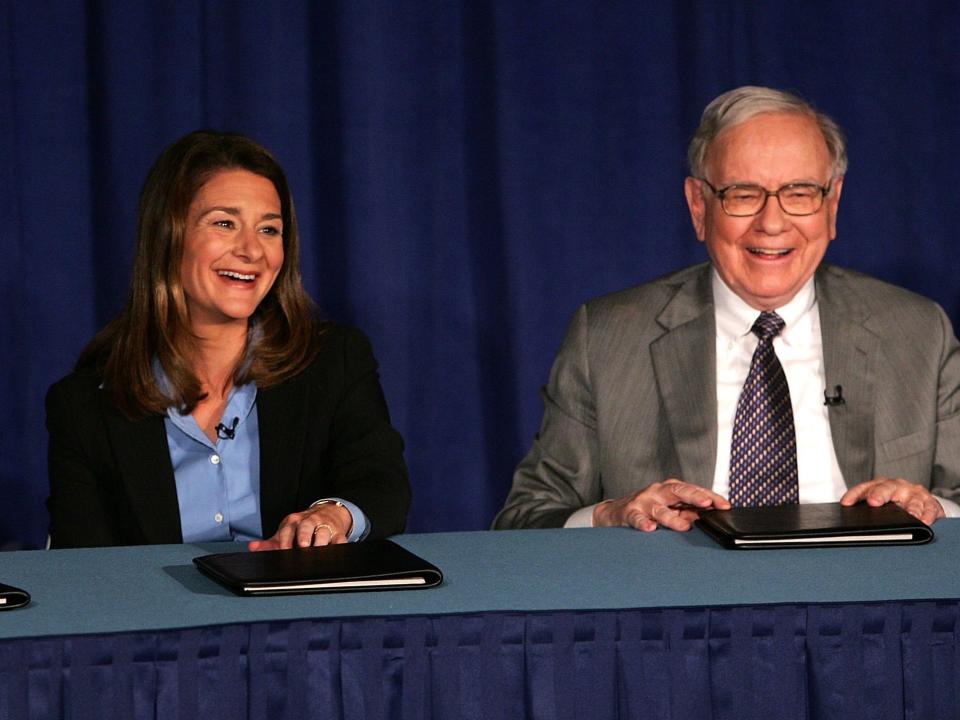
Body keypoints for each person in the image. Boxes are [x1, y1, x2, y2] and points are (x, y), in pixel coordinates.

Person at [494, 86, 960, 532]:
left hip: (866, 603)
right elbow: (526, 518)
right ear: (699, 206)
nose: (772, 223)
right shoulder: (608, 337)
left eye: (799, 193)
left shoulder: (918, 331)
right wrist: (609, 516)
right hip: (685, 607)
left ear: (832, 204)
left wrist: (933, 507)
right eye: (742, 194)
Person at [47, 130, 410, 549]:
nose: (252, 251)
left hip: (302, 612)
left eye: (269, 230)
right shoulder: (84, 406)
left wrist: (334, 515)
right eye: (224, 223)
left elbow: (382, 484)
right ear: (169, 236)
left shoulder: (334, 360)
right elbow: (81, 569)